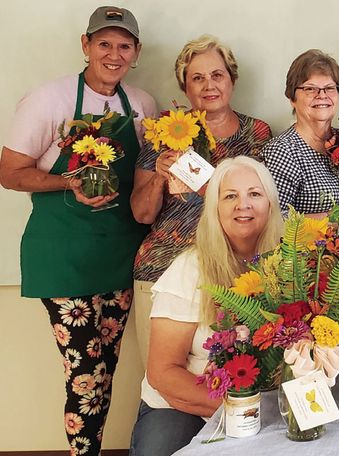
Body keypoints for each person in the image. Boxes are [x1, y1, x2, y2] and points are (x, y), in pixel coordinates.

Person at [0, 7, 156, 454]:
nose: (114, 53)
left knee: (105, 366)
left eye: (124, 45)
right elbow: (10, 172)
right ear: (85, 45)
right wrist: (70, 181)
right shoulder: (48, 100)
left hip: (119, 251)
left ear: (136, 52)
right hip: (62, 252)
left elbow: (146, 176)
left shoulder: (142, 105)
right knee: (85, 374)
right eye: (104, 43)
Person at [131, 35, 271, 365]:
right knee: (165, 379)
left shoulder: (257, 133)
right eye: (197, 78)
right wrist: (158, 177)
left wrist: (202, 181)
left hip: (233, 278)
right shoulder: (164, 132)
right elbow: (141, 214)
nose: (209, 85)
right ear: (185, 88)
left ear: (232, 80)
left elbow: (262, 205)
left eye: (217, 75)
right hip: (161, 272)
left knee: (235, 376)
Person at [130, 156, 284, 455]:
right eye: (230, 196)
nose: (243, 205)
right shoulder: (189, 269)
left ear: (270, 204)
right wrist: (242, 408)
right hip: (182, 405)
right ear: (214, 208)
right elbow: (164, 373)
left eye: (255, 194)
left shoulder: (290, 267)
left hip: (266, 404)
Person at [264, 49, 339, 238]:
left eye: (330, 88)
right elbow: (273, 223)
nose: (321, 95)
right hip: (314, 262)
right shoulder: (283, 151)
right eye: (310, 88)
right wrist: (337, 218)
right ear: (292, 98)